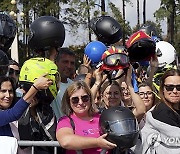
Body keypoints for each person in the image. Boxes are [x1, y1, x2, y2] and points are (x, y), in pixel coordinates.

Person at [56, 80, 117, 153]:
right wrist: (97, 142)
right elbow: (66, 141)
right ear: (68, 102)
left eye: (84, 98)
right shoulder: (66, 121)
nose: (80, 102)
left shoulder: (103, 117)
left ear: (90, 99)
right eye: (75, 100)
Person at [140, 68, 180, 154]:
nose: (175, 91)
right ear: (163, 89)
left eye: (179, 87)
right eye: (170, 87)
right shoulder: (161, 111)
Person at [51, 47, 76, 120]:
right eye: (65, 62)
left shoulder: (74, 85)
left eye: (72, 63)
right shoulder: (49, 84)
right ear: (56, 62)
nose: (69, 66)